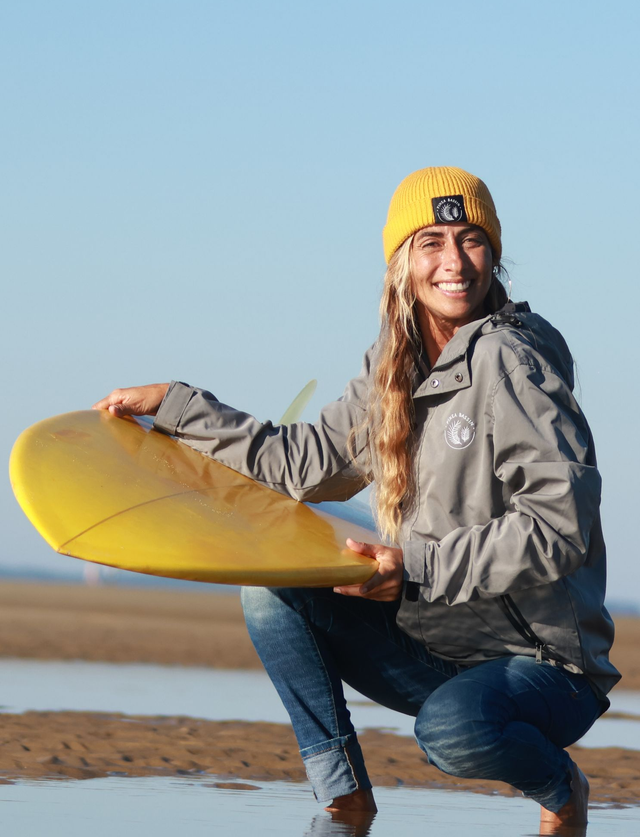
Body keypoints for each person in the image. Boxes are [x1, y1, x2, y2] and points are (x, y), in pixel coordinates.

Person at [93, 167, 619, 833]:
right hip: (437, 648)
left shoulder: (514, 363)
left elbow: (558, 529)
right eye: (431, 241)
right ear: (401, 260)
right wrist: (176, 405)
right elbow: (303, 465)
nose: (453, 262)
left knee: (452, 732)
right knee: (270, 592)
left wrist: (414, 566)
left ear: (494, 253)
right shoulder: (394, 367)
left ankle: (560, 786)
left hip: (542, 667)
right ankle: (344, 800)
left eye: (470, 240)